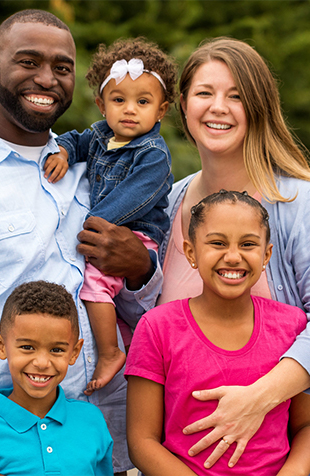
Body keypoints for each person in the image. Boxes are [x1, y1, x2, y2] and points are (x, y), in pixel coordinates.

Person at [0, 9, 161, 476]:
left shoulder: (97, 167)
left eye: (62, 68)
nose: (46, 79)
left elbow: (141, 307)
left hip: (101, 443)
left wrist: (142, 272)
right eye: (28, 62)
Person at [137, 37, 310, 468]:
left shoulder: (296, 204)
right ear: (182, 104)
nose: (218, 107)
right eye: (204, 93)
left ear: (259, 108)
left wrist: (258, 398)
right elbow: (151, 334)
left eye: (236, 96)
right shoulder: (167, 203)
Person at [126, 191, 310, 475]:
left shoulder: (291, 325)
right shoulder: (157, 327)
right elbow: (142, 441)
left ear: (266, 255)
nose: (233, 257)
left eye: (248, 244)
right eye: (217, 243)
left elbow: (304, 426)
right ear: (191, 253)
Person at [43, 38, 177, 395]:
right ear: (102, 105)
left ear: (161, 110)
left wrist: (89, 223)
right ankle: (126, 341)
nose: (129, 110)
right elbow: (77, 139)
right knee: (110, 300)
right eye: (119, 100)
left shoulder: (153, 155)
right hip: (107, 230)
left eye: (143, 102)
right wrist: (62, 151)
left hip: (134, 233)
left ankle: (110, 352)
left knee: (95, 286)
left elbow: (133, 198)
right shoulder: (101, 135)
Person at [0, 281, 114, 476]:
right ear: (1, 346)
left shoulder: (91, 420)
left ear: (74, 352)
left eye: (56, 350)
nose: (41, 363)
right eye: (27, 347)